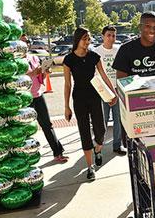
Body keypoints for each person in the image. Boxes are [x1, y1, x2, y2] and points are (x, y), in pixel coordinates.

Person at [63, 27, 117, 180]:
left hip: (95, 96)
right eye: (85, 39)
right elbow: (67, 85)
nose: (88, 42)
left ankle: (98, 149)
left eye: (89, 39)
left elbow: (104, 76)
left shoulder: (94, 56)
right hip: (79, 99)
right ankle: (89, 167)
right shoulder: (69, 60)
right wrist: (66, 106)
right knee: (84, 132)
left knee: (101, 129)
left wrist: (112, 92)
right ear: (77, 40)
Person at [23, 35, 69, 164]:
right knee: (26, 129)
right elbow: (15, 79)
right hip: (24, 99)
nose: (25, 44)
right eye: (22, 42)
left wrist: (45, 72)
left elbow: (40, 75)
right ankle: (25, 157)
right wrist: (32, 73)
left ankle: (58, 152)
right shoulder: (14, 61)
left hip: (38, 95)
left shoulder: (33, 57)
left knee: (47, 125)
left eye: (27, 42)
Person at [95, 25, 126, 156]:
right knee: (103, 120)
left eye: (113, 35)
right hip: (103, 91)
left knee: (118, 119)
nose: (111, 38)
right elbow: (95, 73)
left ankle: (117, 145)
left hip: (117, 89)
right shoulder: (96, 52)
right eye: (108, 35)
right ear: (103, 36)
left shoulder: (119, 50)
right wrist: (105, 90)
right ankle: (99, 144)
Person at [113, 11, 155, 78]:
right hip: (135, 88)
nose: (152, 30)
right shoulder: (125, 49)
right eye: (148, 26)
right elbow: (121, 81)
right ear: (140, 27)